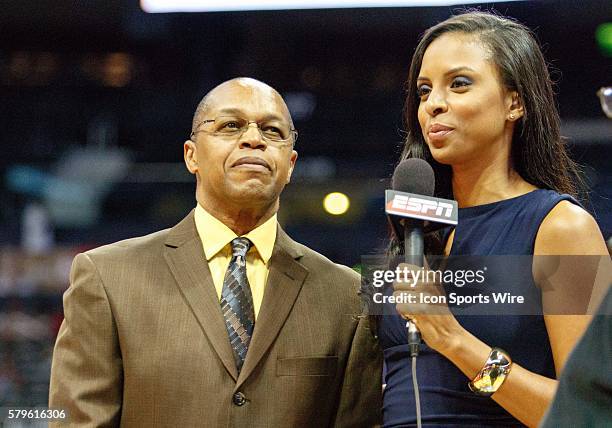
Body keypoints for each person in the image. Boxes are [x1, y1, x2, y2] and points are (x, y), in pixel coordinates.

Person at [49, 77, 382, 427]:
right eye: (231, 125)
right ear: (191, 156)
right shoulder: (106, 277)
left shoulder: (348, 294)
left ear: (291, 164)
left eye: (272, 131)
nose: (253, 139)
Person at [378, 12, 609, 427]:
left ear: (514, 103)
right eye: (424, 90)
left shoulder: (560, 227)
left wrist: (455, 341)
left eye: (459, 84)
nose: (434, 104)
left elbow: (591, 411)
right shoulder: (415, 229)